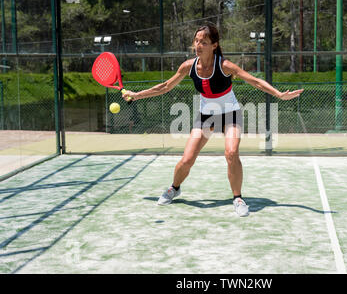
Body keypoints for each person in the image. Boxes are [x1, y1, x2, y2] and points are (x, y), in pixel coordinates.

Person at [122, 24, 303, 217]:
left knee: (231, 153)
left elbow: (254, 80)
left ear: (214, 45)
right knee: (187, 159)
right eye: (197, 41)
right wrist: (136, 95)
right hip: (206, 116)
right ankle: (174, 188)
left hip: (230, 113)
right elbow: (165, 86)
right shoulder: (188, 66)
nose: (198, 45)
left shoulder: (224, 65)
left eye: (204, 42)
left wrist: (278, 94)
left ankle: (238, 198)